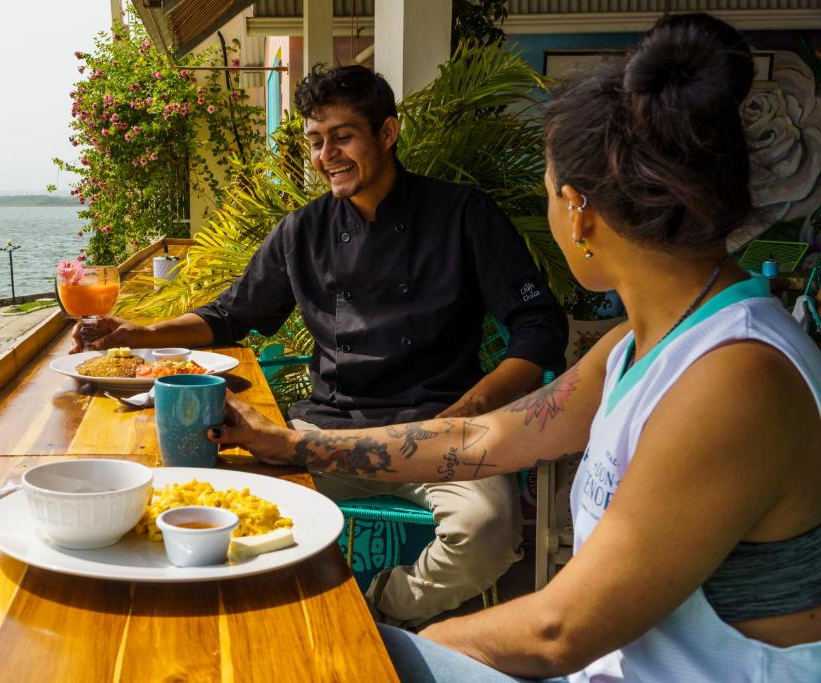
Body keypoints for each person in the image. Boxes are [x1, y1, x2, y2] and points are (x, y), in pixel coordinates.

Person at [203, 13, 821, 681]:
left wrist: (406, 639)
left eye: (547, 190)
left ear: (578, 211)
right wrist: (292, 445)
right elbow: (487, 440)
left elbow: (557, 630)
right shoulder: (637, 345)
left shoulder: (737, 376)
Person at [73, 64, 568, 625]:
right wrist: (139, 333)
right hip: (325, 429)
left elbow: (540, 326)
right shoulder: (302, 231)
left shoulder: (462, 214)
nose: (326, 154)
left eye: (342, 136)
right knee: (211, 503)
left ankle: (369, 615)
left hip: (435, 431)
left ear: (387, 133)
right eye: (315, 141)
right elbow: (231, 315)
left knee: (488, 531)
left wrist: (472, 410)